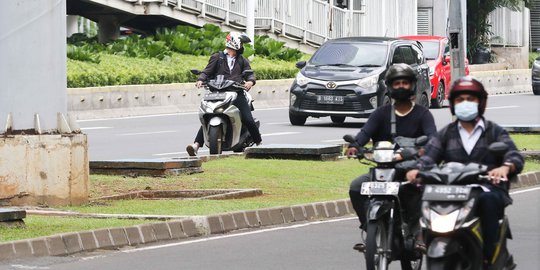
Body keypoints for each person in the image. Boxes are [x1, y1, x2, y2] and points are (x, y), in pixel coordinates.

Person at [406, 76, 523, 269]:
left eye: (470, 99)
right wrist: (417, 169)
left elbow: (514, 156)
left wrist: (505, 167)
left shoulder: (494, 131)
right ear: (453, 104)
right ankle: (423, 237)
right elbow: (429, 156)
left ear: (481, 102)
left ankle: (488, 257)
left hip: (485, 188)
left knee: (489, 201)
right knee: (422, 196)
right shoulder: (446, 133)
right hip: (451, 191)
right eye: (460, 100)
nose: (465, 104)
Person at [346, 63, 437, 252]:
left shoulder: (423, 114)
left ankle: (418, 232)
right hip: (382, 170)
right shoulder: (380, 113)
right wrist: (355, 146)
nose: (401, 86)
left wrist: (422, 153)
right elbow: (365, 133)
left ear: (412, 85)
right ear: (389, 86)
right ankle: (370, 229)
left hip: (410, 169)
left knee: (415, 189)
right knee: (356, 187)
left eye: (405, 82)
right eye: (397, 83)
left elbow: (432, 139)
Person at [186, 32, 262, 156]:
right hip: (217, 93)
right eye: (241, 43)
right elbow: (207, 71)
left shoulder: (242, 60)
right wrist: (200, 79)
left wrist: (250, 82)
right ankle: (196, 145)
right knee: (209, 115)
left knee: (248, 119)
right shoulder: (217, 57)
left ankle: (259, 144)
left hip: (236, 93)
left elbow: (250, 73)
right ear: (235, 43)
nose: (242, 46)